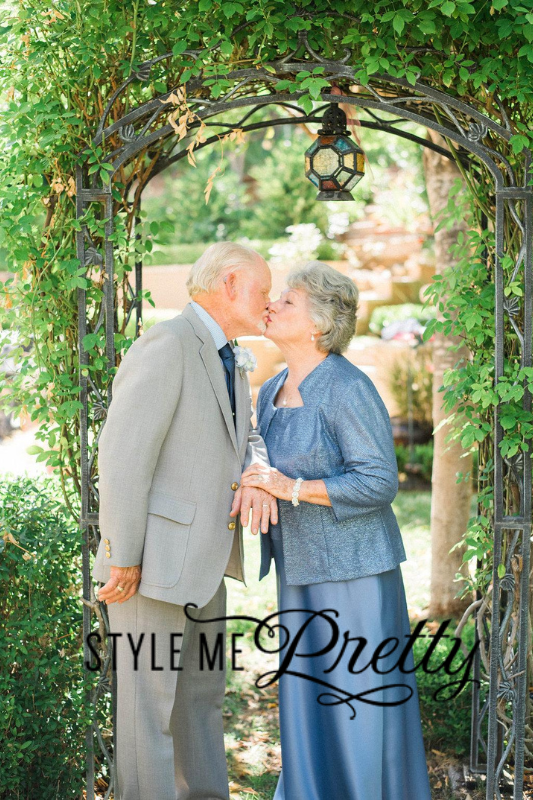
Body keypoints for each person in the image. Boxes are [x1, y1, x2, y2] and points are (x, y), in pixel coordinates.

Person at [91, 241, 277, 800]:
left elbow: (242, 438)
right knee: (150, 709)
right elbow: (123, 457)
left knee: (202, 699)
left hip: (207, 565)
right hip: (148, 567)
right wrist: (123, 556)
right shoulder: (167, 345)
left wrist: (257, 470)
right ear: (229, 285)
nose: (268, 302)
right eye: (263, 291)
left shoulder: (231, 355)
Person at [241, 261, 432, 799]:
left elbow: (379, 481)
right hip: (299, 569)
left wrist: (293, 488)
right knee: (308, 700)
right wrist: (257, 482)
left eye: (288, 301)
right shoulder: (271, 388)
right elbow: (260, 456)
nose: (272, 304)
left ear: (319, 325)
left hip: (356, 575)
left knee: (357, 704)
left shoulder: (347, 387)